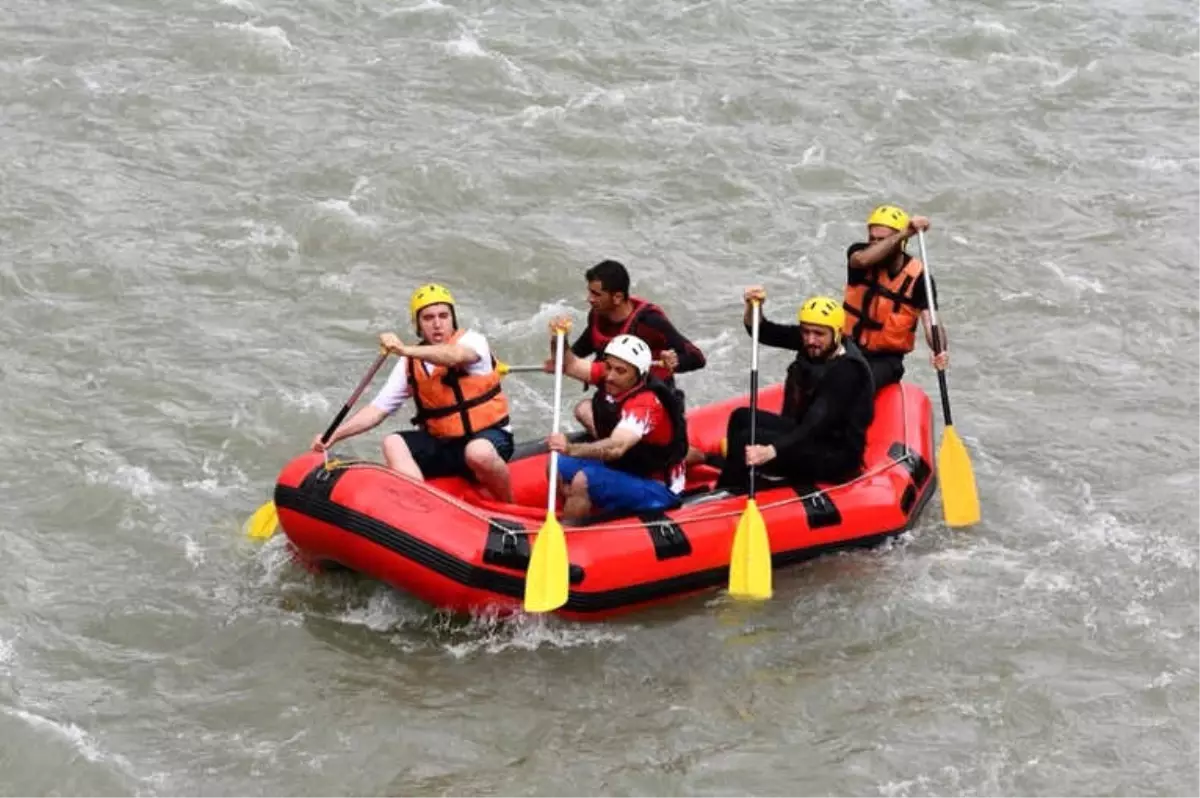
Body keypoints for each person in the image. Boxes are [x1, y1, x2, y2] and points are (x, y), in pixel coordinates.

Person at [311, 283, 516, 502]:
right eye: (428, 318)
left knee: (478, 452)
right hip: (445, 444)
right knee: (393, 442)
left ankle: (508, 505)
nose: (437, 324)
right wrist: (334, 435)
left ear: (452, 319)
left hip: (491, 437)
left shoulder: (473, 341)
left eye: (443, 316)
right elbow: (377, 409)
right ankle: (422, 507)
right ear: (418, 325)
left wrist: (404, 349)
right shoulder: (408, 364)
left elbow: (454, 356)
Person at [715, 289, 874, 494]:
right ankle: (739, 476)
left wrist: (771, 450)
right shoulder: (814, 344)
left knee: (747, 438)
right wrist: (753, 307)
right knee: (740, 417)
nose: (810, 340)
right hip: (810, 436)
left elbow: (815, 423)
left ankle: (728, 492)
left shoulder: (847, 371)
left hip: (835, 455)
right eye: (806, 332)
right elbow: (762, 331)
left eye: (818, 334)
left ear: (837, 333)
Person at [544, 259, 707, 442]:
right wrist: (560, 350)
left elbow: (697, 357)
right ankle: (614, 450)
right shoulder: (598, 316)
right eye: (589, 291)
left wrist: (676, 362)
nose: (589, 298)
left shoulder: (650, 322)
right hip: (617, 399)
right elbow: (582, 349)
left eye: (596, 294)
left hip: (653, 403)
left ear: (617, 297)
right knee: (583, 410)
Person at [545, 325, 690, 521]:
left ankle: (570, 532)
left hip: (658, 486)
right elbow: (569, 364)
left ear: (638, 374)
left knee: (582, 480)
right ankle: (573, 511)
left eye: (620, 371)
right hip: (624, 467)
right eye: (608, 366)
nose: (610, 376)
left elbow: (616, 448)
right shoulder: (611, 376)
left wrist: (570, 448)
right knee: (554, 464)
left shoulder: (645, 404)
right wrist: (558, 338)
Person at [843, 204, 950, 391]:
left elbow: (929, 321)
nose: (875, 244)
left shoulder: (919, 279)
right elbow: (862, 260)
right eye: (872, 238)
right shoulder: (860, 256)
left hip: (885, 360)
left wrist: (939, 349)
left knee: (857, 384)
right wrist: (904, 233)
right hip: (848, 348)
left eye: (882, 239)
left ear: (900, 244)